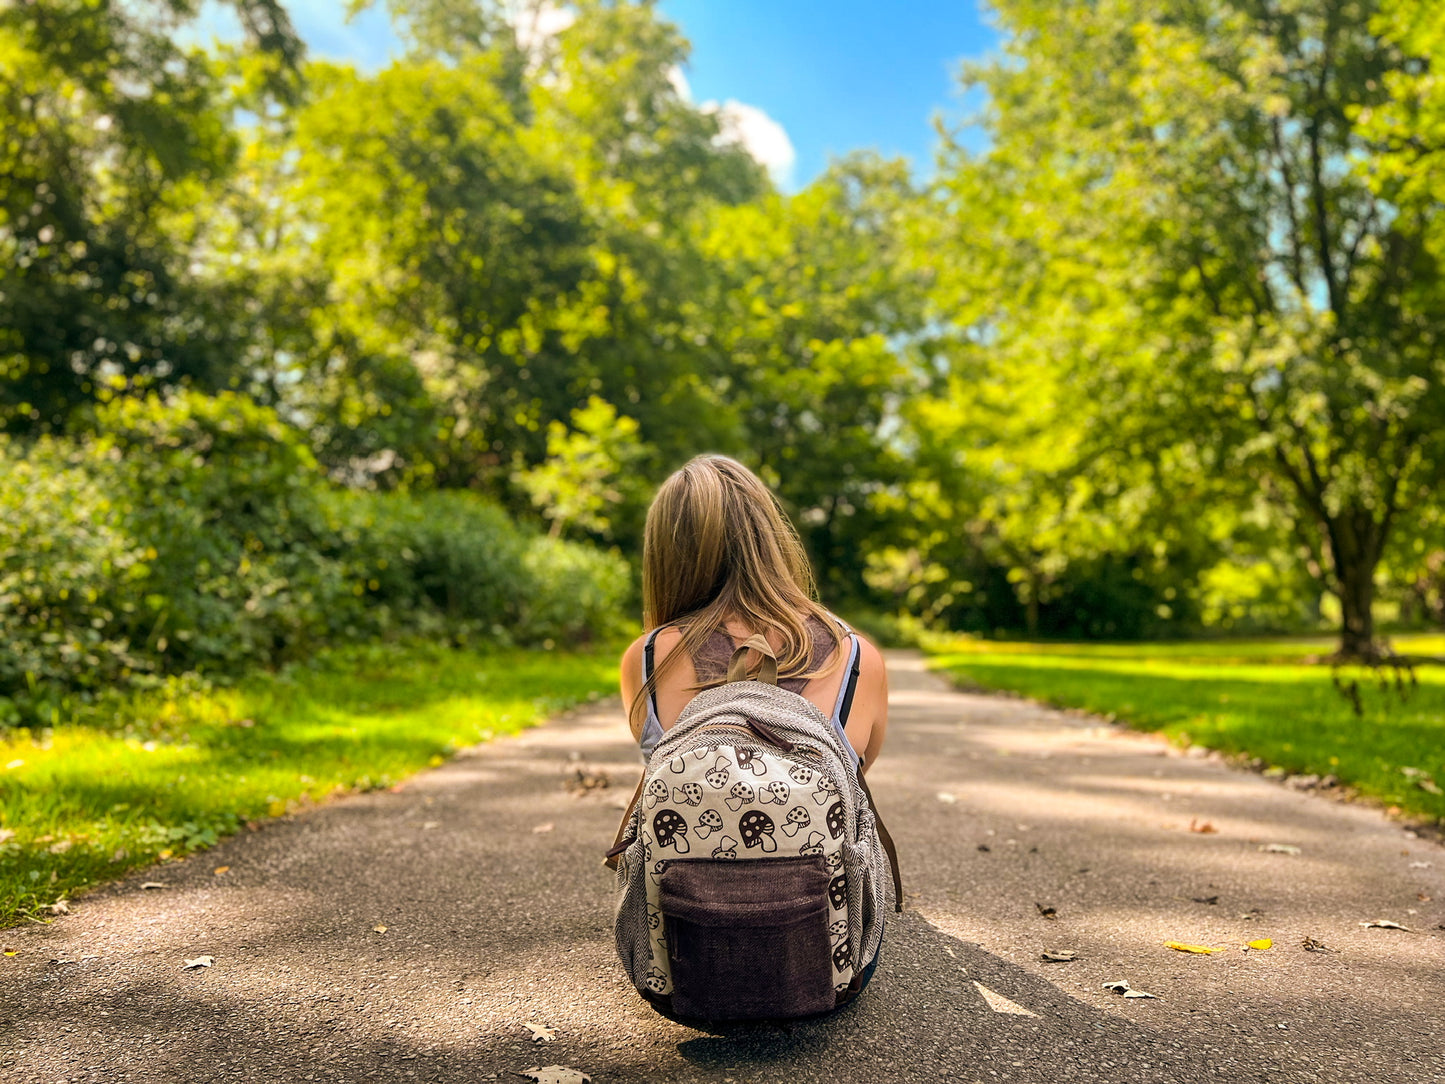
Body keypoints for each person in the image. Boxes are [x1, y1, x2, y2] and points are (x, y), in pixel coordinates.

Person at [619, 454, 888, 771]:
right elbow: (851, 792)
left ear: (665, 556)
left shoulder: (649, 658)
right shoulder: (855, 657)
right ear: (770, 536)